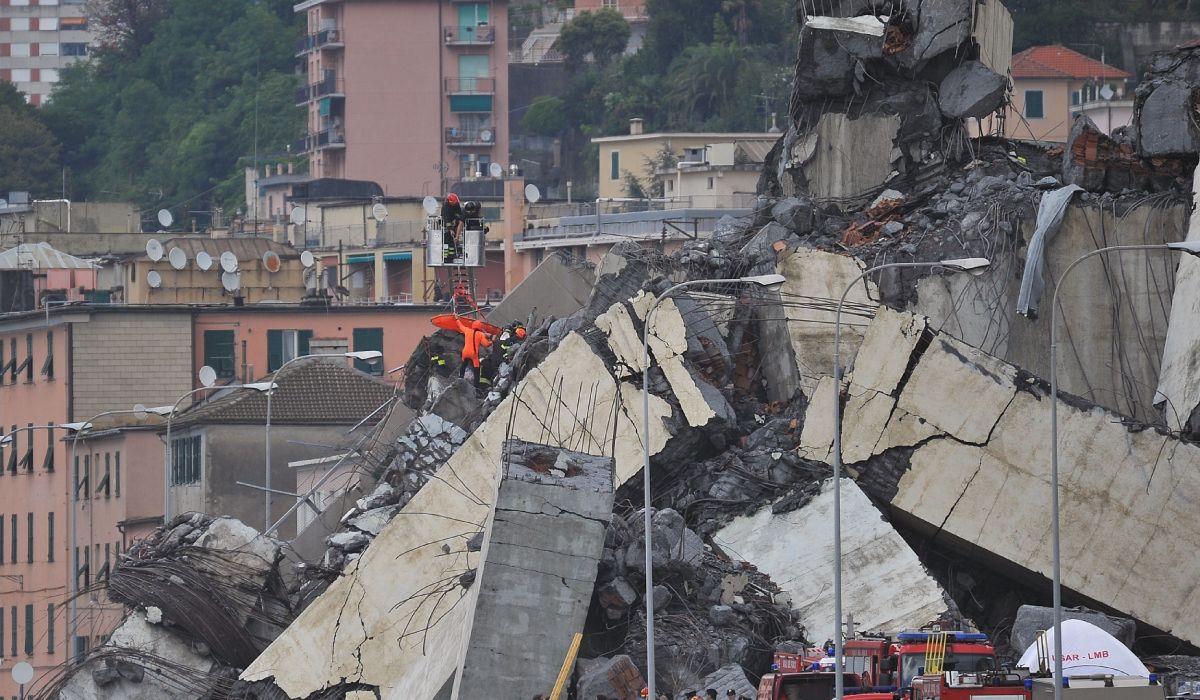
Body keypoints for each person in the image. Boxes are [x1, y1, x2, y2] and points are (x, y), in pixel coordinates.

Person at [441, 193, 465, 261]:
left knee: (453, 243)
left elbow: (459, 214)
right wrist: (450, 229)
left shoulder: (456, 204)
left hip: (455, 225)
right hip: (446, 227)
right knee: (447, 243)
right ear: (449, 201)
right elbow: (446, 218)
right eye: (453, 203)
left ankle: (452, 256)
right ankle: (446, 258)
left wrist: (457, 220)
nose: (455, 204)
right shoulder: (446, 207)